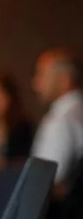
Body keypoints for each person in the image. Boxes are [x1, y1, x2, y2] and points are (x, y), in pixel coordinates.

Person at [31, 48, 83, 185]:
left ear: (64, 80)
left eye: (41, 75)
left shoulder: (62, 120)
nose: (35, 84)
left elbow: (45, 180)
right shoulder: (77, 111)